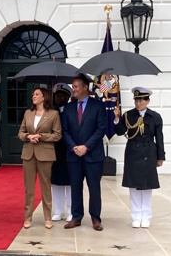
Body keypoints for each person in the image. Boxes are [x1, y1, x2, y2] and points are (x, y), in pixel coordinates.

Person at [114, 87, 165, 228]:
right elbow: (119, 132)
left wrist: (160, 156)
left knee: (147, 186)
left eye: (141, 100)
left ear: (147, 101)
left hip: (149, 153)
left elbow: (159, 138)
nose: (138, 103)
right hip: (133, 152)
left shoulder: (155, 117)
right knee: (134, 186)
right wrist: (117, 118)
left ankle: (146, 216)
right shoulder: (128, 115)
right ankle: (136, 216)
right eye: (136, 100)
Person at [61, 74, 107, 231]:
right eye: (72, 86)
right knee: (75, 187)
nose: (73, 89)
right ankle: (76, 217)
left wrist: (86, 147)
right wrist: (74, 147)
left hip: (93, 155)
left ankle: (95, 218)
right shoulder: (68, 108)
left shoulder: (98, 106)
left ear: (85, 87)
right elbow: (64, 131)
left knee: (94, 187)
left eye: (76, 86)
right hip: (74, 155)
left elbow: (101, 129)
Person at [18, 87, 62, 229]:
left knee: (45, 186)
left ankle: (48, 217)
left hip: (45, 154)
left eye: (37, 94)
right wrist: (29, 136)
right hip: (29, 153)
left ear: (44, 97)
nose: (34, 96)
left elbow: (57, 135)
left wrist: (41, 137)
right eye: (33, 94)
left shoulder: (53, 114)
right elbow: (21, 133)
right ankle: (28, 217)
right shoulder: (28, 113)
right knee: (29, 188)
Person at [50, 83, 73, 222]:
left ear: (68, 97)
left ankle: (70, 211)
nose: (60, 97)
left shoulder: (72, 110)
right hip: (55, 150)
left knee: (70, 182)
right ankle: (58, 210)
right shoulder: (51, 111)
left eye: (63, 95)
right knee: (56, 182)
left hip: (70, 149)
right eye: (58, 95)